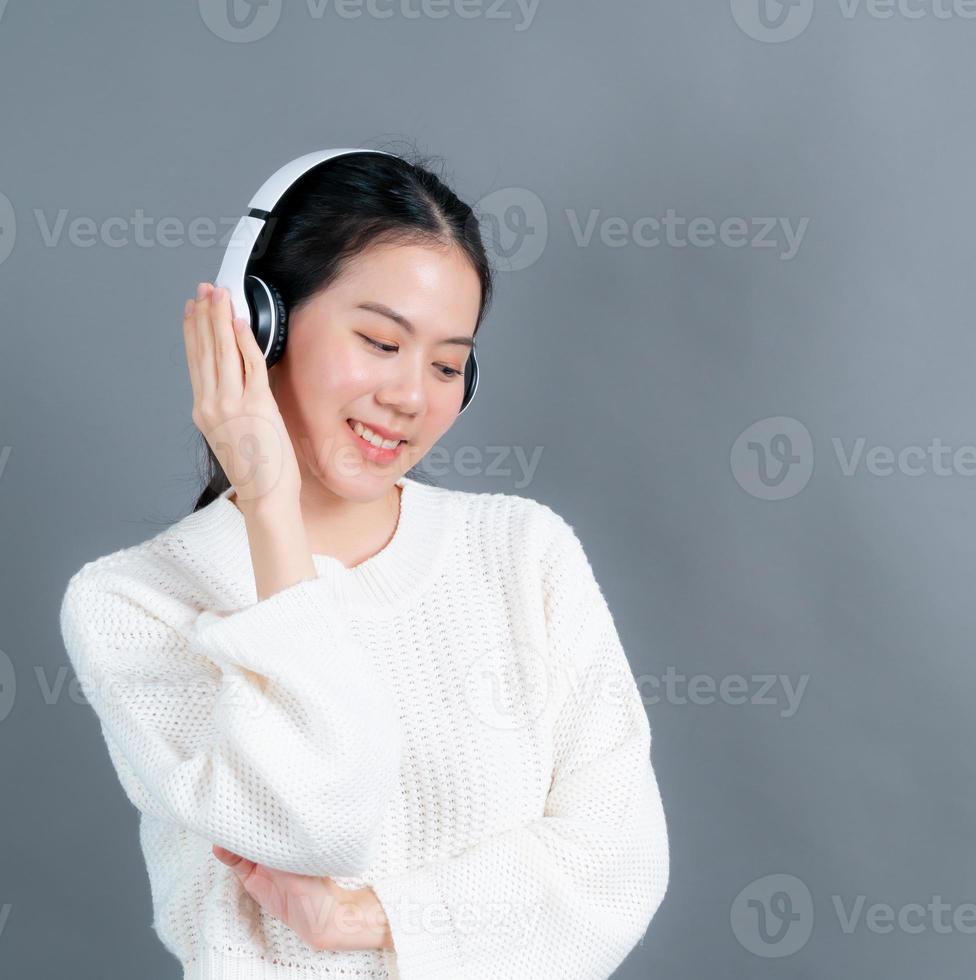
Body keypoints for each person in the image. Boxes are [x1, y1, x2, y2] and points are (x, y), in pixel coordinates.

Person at [57, 149, 669, 979]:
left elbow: (618, 864)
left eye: (448, 365)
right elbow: (308, 821)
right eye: (382, 341)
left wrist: (362, 917)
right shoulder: (135, 603)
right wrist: (269, 508)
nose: (413, 396)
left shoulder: (524, 553)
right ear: (259, 323)